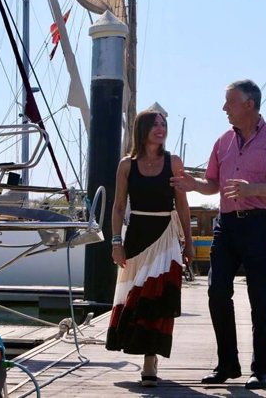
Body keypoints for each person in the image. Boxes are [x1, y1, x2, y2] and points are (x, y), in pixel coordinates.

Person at [170, 79, 266, 390]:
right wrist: (193, 185)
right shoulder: (222, 141)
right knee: (216, 291)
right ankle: (227, 363)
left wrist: (254, 189)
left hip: (261, 224)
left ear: (249, 104)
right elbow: (212, 184)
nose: (224, 108)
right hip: (226, 226)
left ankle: (261, 369)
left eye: (229, 102)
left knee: (259, 297)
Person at [105, 109, 194, 387]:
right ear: (141, 129)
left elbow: (182, 205)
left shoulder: (174, 162)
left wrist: (189, 242)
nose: (161, 128)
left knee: (158, 299)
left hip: (166, 237)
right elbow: (118, 207)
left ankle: (149, 359)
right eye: (155, 124)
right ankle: (141, 350)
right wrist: (116, 242)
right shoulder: (126, 165)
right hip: (136, 237)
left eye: (164, 124)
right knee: (135, 297)